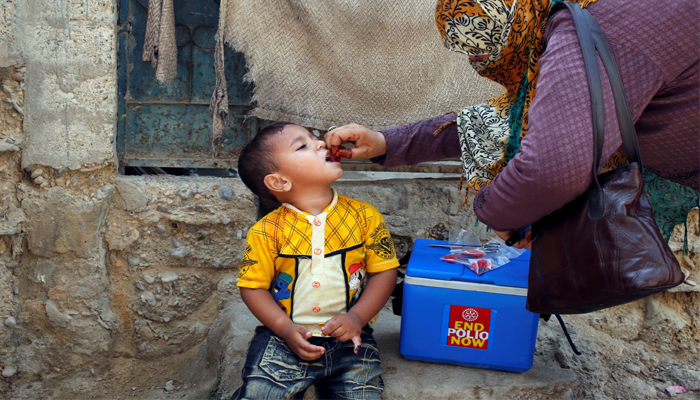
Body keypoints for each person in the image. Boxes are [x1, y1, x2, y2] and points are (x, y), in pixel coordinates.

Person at [324, 0, 699, 248]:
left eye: (488, 52)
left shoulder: (592, 29)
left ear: (514, 22)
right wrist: (385, 142)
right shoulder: (573, 17)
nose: (484, 67)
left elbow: (551, 167)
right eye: (470, 54)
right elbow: (509, 119)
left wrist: (500, 214)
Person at [232, 122, 399, 399]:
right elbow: (252, 287)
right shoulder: (266, 231)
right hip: (284, 339)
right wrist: (284, 328)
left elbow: (385, 272)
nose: (321, 143)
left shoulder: (365, 217)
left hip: (351, 339)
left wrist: (357, 317)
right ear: (279, 182)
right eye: (303, 145)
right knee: (260, 394)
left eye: (315, 138)